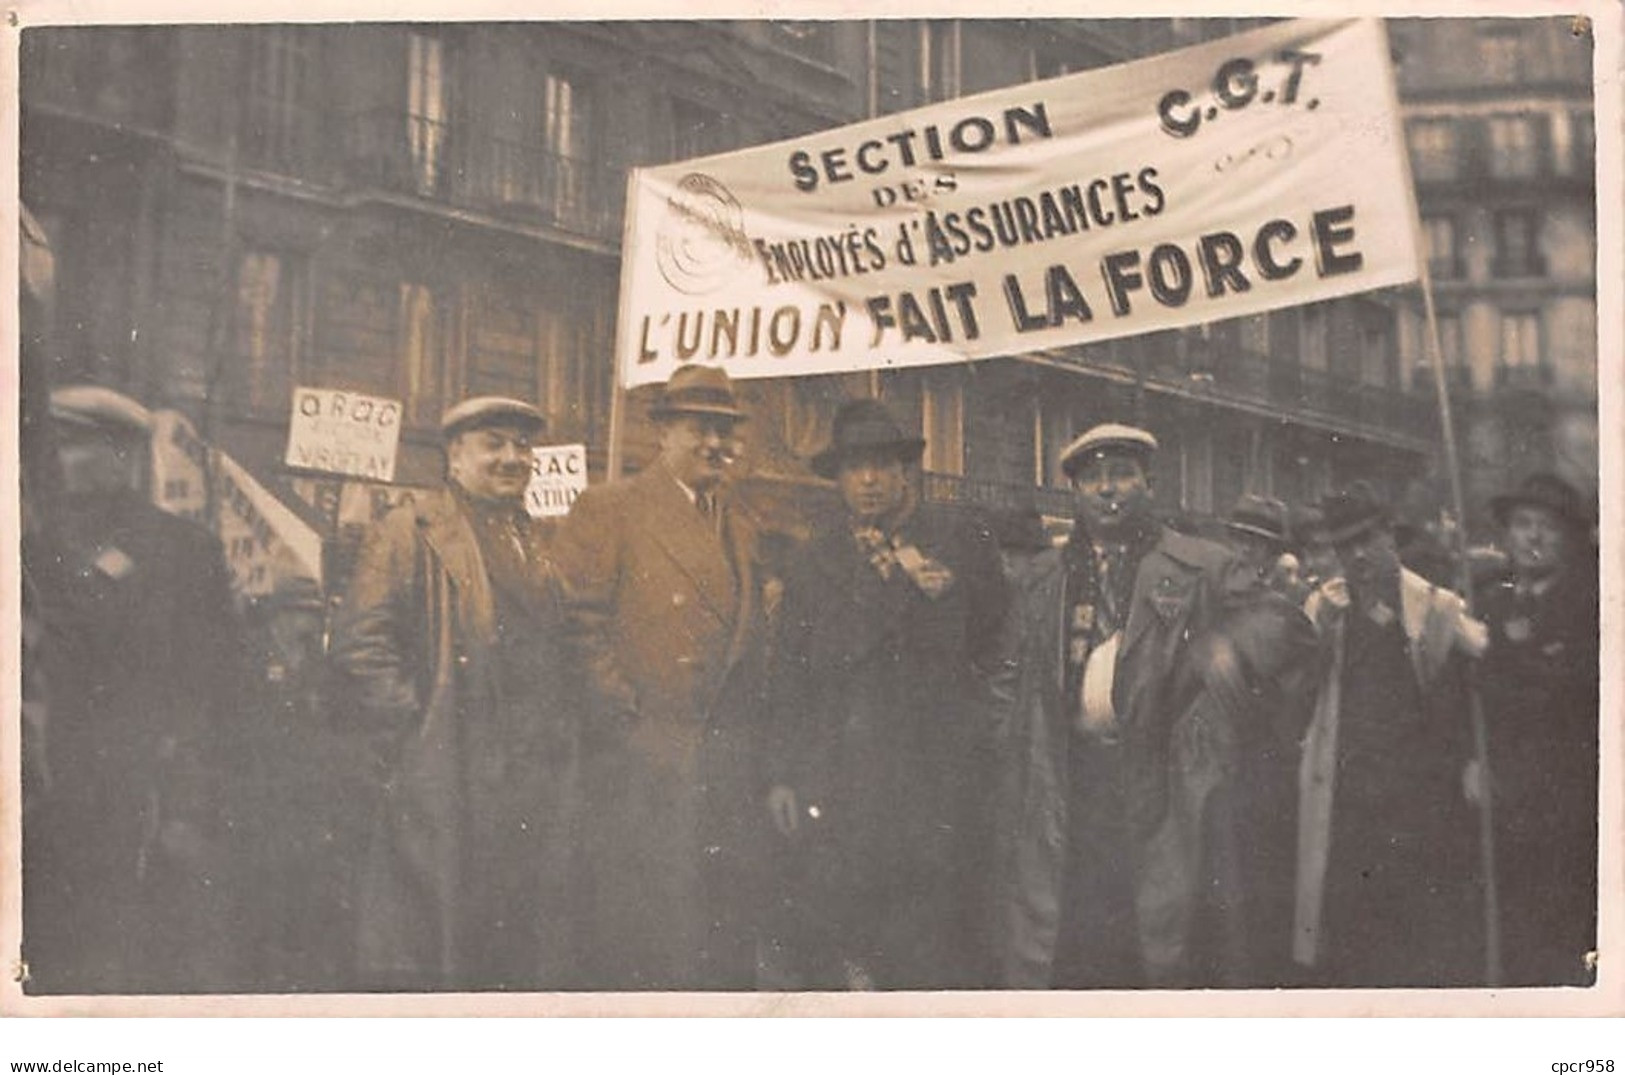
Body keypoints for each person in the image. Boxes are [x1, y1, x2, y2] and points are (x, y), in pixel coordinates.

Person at [992, 424, 1315, 989]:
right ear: (1074, 490)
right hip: (1070, 790)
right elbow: (1009, 677)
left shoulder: (1199, 564)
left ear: (1149, 483)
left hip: (1167, 794)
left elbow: (1287, 623)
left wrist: (1224, 650)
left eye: (1121, 474)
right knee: (1074, 943)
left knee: (1160, 949)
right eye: (1092, 477)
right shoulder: (1046, 576)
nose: (1108, 489)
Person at [328, 396, 581, 991]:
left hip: (528, 781)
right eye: (494, 443)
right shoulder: (409, 531)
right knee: (439, 946)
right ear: (456, 456)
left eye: (523, 447)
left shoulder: (537, 541)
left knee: (512, 942)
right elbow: (361, 646)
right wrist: (417, 735)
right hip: (450, 773)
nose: (512, 459)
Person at [763, 399, 1007, 989]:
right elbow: (789, 678)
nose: (868, 480)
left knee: (934, 945)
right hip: (843, 783)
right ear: (838, 479)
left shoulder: (959, 540)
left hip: (936, 782)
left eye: (880, 465)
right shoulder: (813, 560)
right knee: (846, 936)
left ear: (906, 471)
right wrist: (783, 776)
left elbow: (997, 644)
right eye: (853, 468)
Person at [22, 385, 245, 994]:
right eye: (51, 445)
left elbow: (213, 681)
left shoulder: (181, 550)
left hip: (140, 788)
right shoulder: (29, 544)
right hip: (45, 786)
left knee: (130, 952)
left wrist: (187, 795)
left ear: (122, 454)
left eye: (73, 445)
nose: (54, 460)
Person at [555, 365, 768, 990]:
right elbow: (578, 626)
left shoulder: (740, 524)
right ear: (663, 434)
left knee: (716, 937)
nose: (715, 444)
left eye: (725, 431)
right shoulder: (610, 507)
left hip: (723, 767)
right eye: (700, 428)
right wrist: (627, 722)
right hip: (643, 765)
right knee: (647, 940)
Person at [1292, 482, 1489, 987]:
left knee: (1416, 926)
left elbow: (1482, 676)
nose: (1356, 556)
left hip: (1419, 795)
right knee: (1351, 923)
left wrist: (1471, 758)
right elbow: (1299, 689)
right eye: (1344, 546)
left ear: (1388, 538)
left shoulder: (1433, 606)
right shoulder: (1327, 608)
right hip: (1349, 795)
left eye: (1366, 541)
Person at [1477, 473, 1598, 985]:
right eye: (1522, 524)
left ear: (1569, 538)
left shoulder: (1591, 606)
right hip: (1496, 794)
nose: (1531, 537)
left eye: (1545, 527)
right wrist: (1471, 759)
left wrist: (1506, 651)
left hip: (1563, 798)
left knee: (1557, 931)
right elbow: (1467, 699)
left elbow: (1567, 696)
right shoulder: (1487, 600)